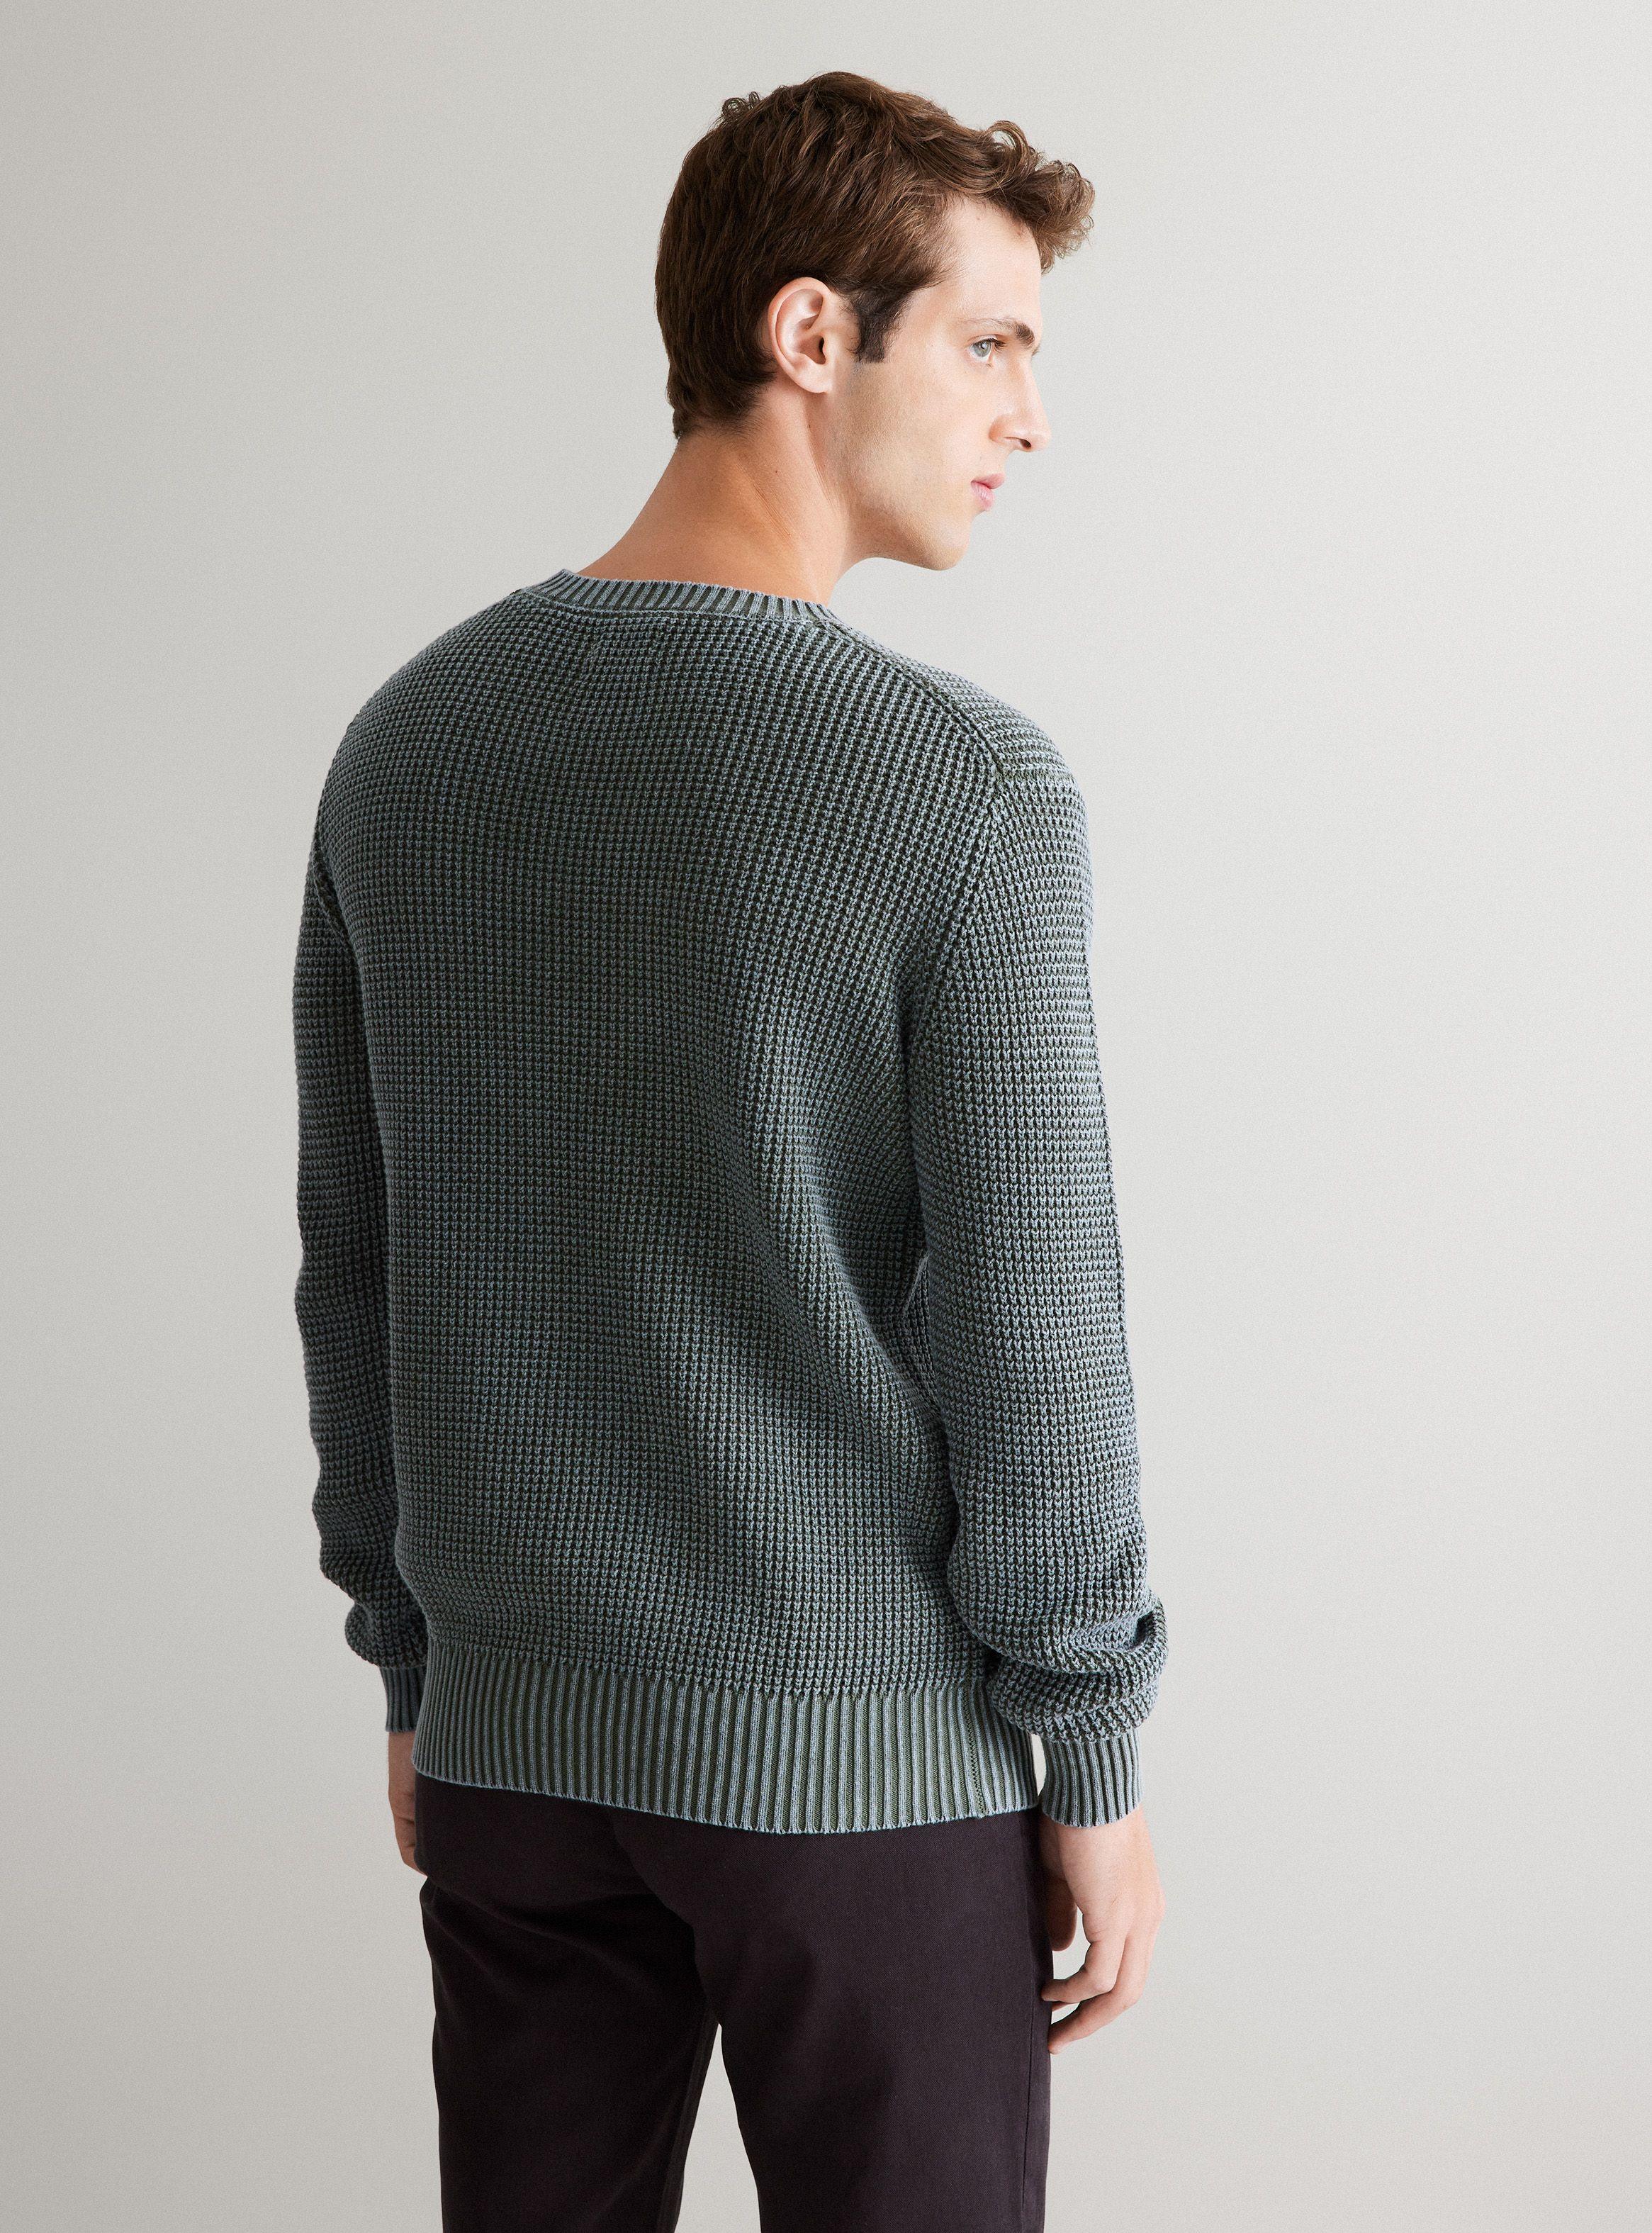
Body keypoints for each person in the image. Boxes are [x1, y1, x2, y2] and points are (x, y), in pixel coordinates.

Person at [292, 68, 1168, 2233]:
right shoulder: (959, 786)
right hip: (855, 1767)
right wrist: (1089, 1745)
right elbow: (1034, 1315)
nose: (1029, 415)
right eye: (990, 341)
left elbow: (357, 1261)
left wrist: (418, 1662)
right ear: (808, 334)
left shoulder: (409, 748)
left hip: (511, 1759)